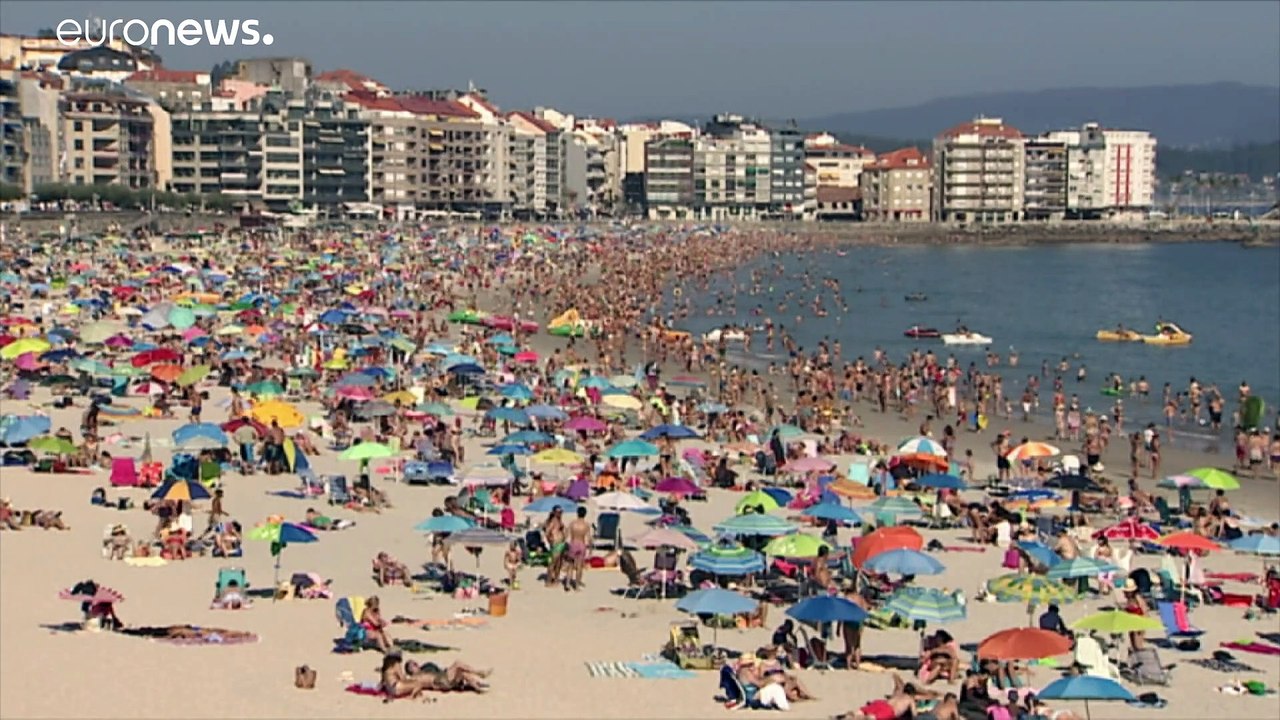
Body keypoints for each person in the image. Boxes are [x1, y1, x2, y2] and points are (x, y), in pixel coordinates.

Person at [566, 506, 591, 590]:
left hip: (573, 543)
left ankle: (568, 584)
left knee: (570, 565)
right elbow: (589, 538)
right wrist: (590, 549)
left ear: (577, 513)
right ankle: (576, 586)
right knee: (579, 566)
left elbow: (566, 535)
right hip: (581, 544)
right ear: (585, 514)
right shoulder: (586, 525)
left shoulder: (572, 523)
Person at [543, 506, 567, 587]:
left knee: (559, 563)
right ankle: (548, 581)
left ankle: (556, 580)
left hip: (561, 543)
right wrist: (550, 541)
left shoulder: (559, 521)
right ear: (554, 512)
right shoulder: (553, 521)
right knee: (553, 563)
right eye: (558, 512)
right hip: (556, 544)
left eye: (561, 512)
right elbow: (547, 532)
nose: (560, 513)